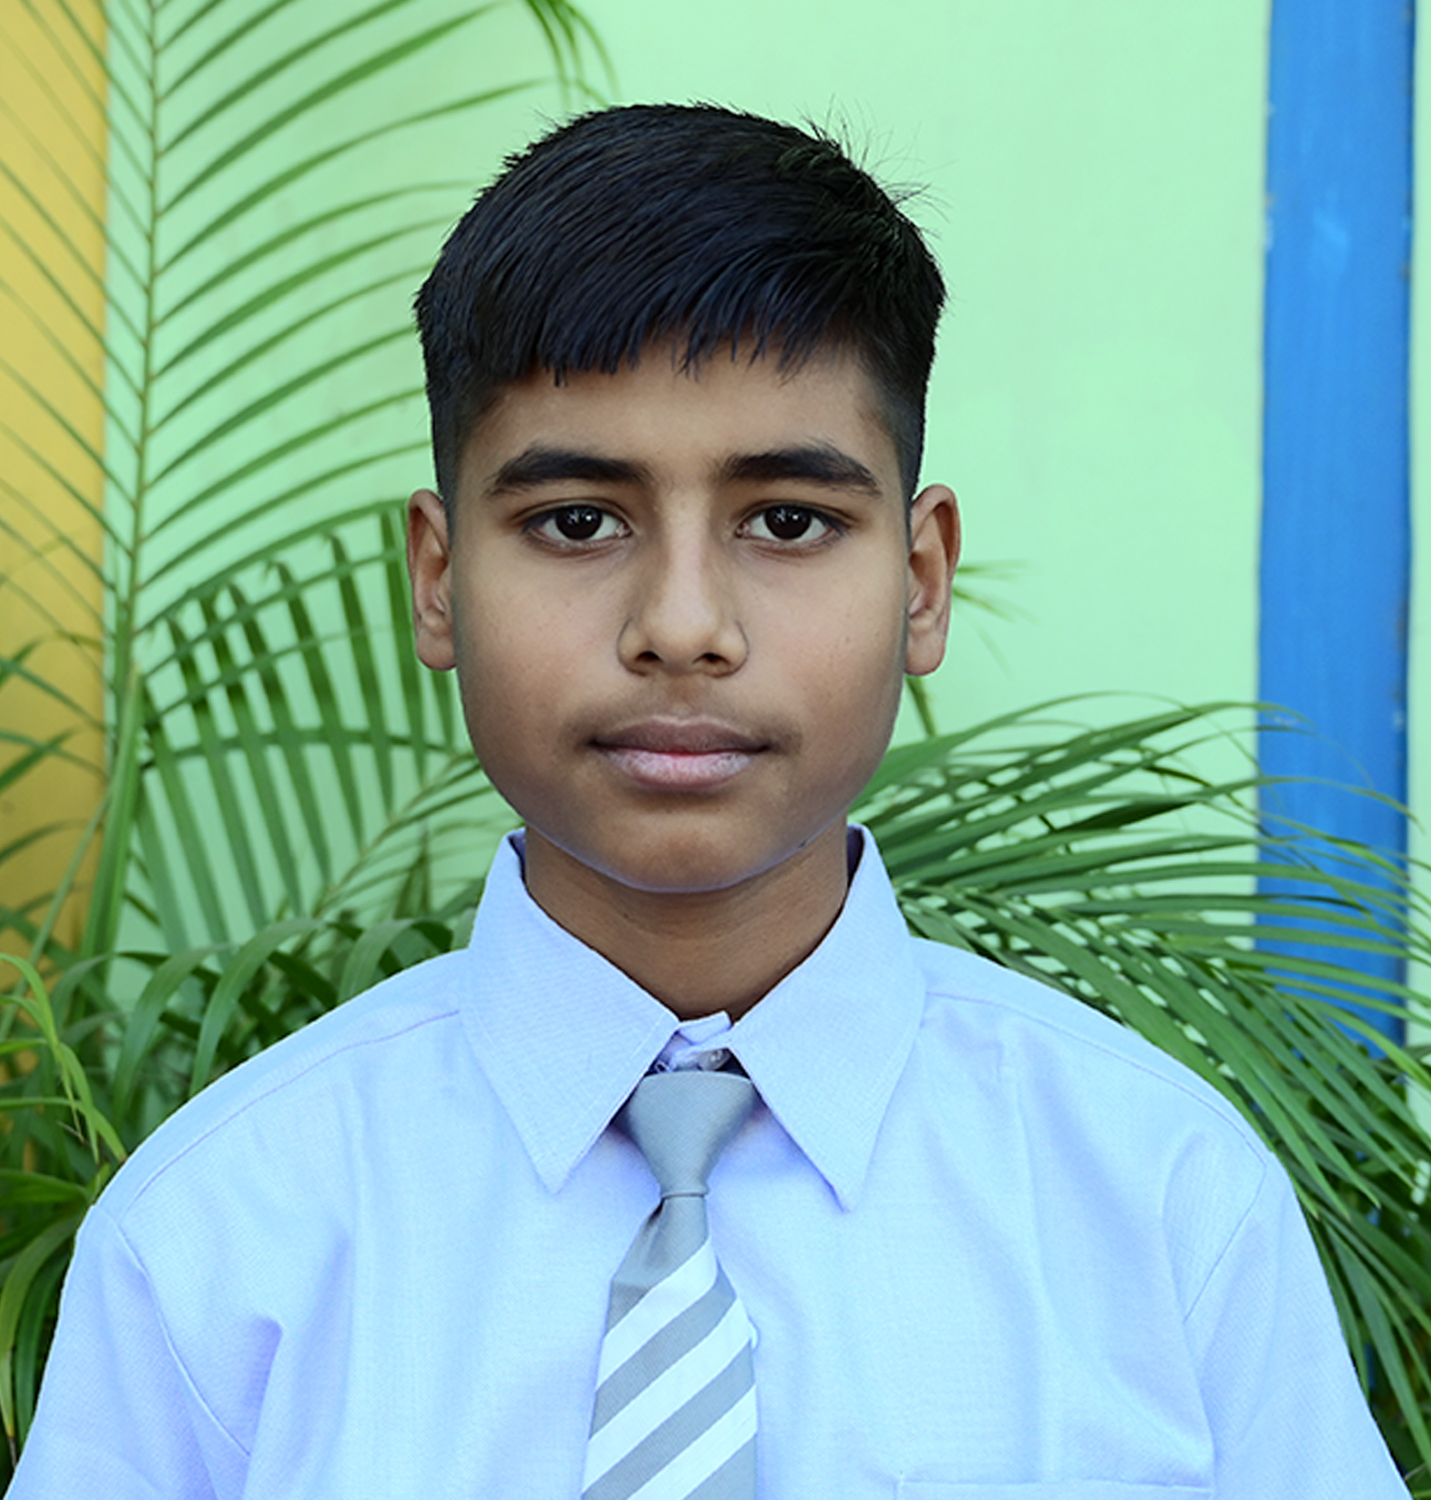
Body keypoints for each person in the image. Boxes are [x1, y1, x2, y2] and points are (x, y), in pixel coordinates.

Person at [11, 104, 1409, 1499]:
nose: (682, 626)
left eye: (789, 521)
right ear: (438, 581)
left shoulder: (1165, 1208)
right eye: (577, 521)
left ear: (922, 581)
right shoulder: (216, 1242)